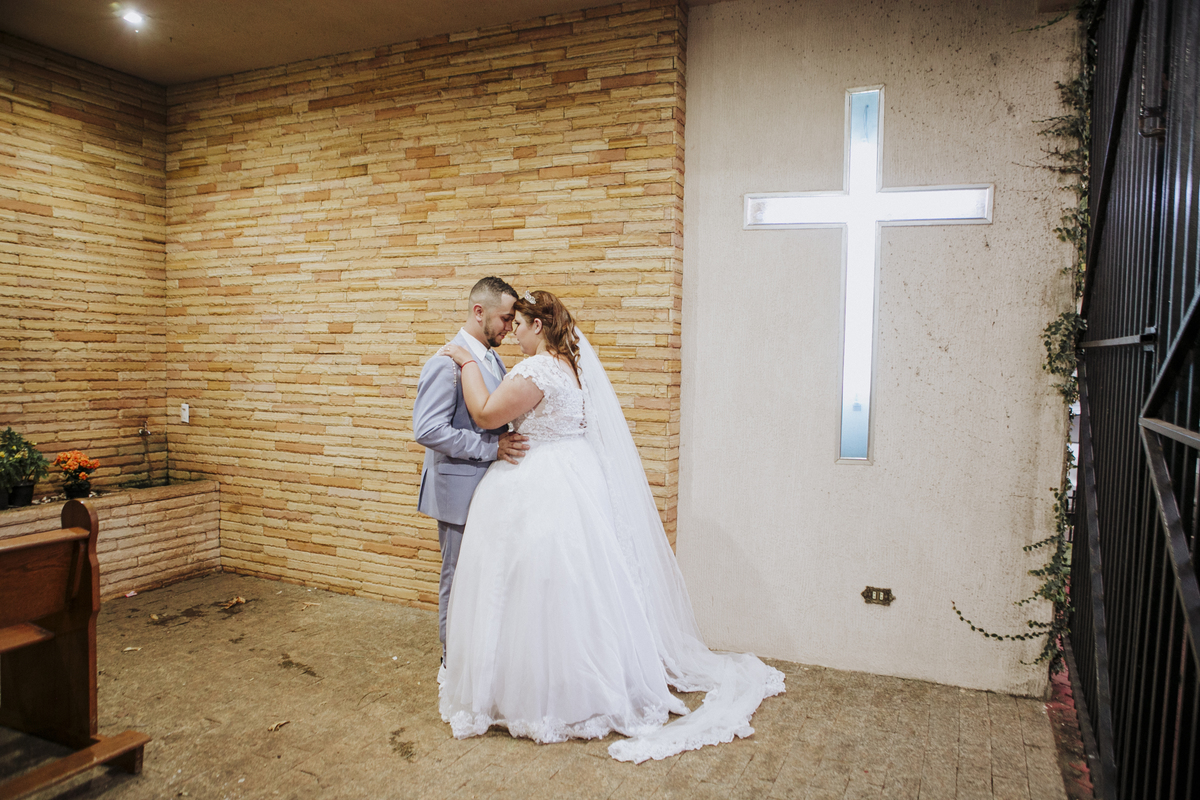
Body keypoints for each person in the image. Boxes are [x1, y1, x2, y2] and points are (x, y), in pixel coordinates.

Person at [435, 289, 785, 763]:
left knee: (535, 585)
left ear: (538, 326)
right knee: (573, 586)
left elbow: (483, 412)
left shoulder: (537, 369)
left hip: (542, 485)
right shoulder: (570, 367)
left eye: (519, 325)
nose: (514, 333)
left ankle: (545, 690)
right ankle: (573, 676)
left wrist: (465, 361)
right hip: (575, 475)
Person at [412, 277, 529, 659]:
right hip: (459, 492)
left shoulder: (492, 358)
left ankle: (477, 657)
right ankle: (452, 661)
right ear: (479, 312)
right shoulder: (446, 363)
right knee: (458, 579)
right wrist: (490, 448)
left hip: (488, 490)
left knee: (482, 578)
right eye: (506, 318)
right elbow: (428, 429)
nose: (510, 327)